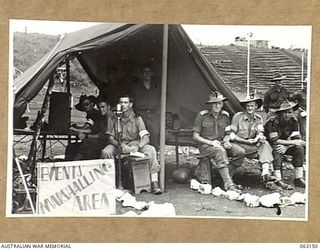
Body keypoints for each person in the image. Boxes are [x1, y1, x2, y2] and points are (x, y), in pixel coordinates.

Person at [101, 95, 162, 194]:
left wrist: (137, 147)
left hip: (133, 144)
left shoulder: (137, 118)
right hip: (117, 144)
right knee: (105, 152)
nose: (123, 105)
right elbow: (110, 138)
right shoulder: (113, 118)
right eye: (121, 102)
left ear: (130, 105)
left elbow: (146, 138)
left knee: (150, 150)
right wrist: (120, 145)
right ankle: (109, 183)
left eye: (126, 102)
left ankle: (154, 182)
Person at [226, 94, 278, 190]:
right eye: (248, 106)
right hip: (238, 144)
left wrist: (259, 137)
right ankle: (226, 178)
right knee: (262, 148)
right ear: (245, 107)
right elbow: (231, 135)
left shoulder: (258, 118)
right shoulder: (238, 117)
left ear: (256, 107)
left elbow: (260, 131)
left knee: (264, 143)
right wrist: (245, 141)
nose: (250, 108)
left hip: (251, 146)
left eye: (252, 106)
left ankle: (265, 173)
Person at [192, 91, 242, 192]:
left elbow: (227, 134)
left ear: (222, 104)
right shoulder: (202, 116)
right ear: (210, 104)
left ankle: (223, 176)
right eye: (214, 103)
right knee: (220, 151)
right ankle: (229, 184)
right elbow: (195, 136)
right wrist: (210, 143)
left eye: (219, 103)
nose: (216, 105)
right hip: (206, 146)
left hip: (221, 143)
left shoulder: (225, 116)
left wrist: (227, 140)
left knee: (240, 152)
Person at [264, 100, 306, 189]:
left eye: (290, 112)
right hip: (268, 146)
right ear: (280, 113)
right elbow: (274, 141)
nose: (287, 115)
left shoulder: (293, 122)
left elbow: (296, 139)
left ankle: (298, 178)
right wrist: (291, 143)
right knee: (277, 149)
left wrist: (286, 146)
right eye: (285, 113)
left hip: (284, 144)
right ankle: (278, 179)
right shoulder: (272, 122)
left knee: (299, 149)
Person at [131, 65, 160, 148]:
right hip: (141, 114)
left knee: (155, 135)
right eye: (145, 72)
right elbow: (133, 100)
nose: (147, 74)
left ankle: (155, 155)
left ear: (152, 73)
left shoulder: (157, 85)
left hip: (154, 114)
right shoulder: (137, 86)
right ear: (142, 74)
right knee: (141, 135)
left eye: (149, 72)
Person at [65, 94, 101, 160]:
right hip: (92, 138)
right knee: (71, 147)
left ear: (92, 104)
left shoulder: (95, 114)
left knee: (74, 148)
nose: (85, 107)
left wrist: (75, 129)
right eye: (83, 105)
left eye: (87, 104)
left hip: (97, 139)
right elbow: (86, 127)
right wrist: (76, 128)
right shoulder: (90, 114)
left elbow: (88, 128)